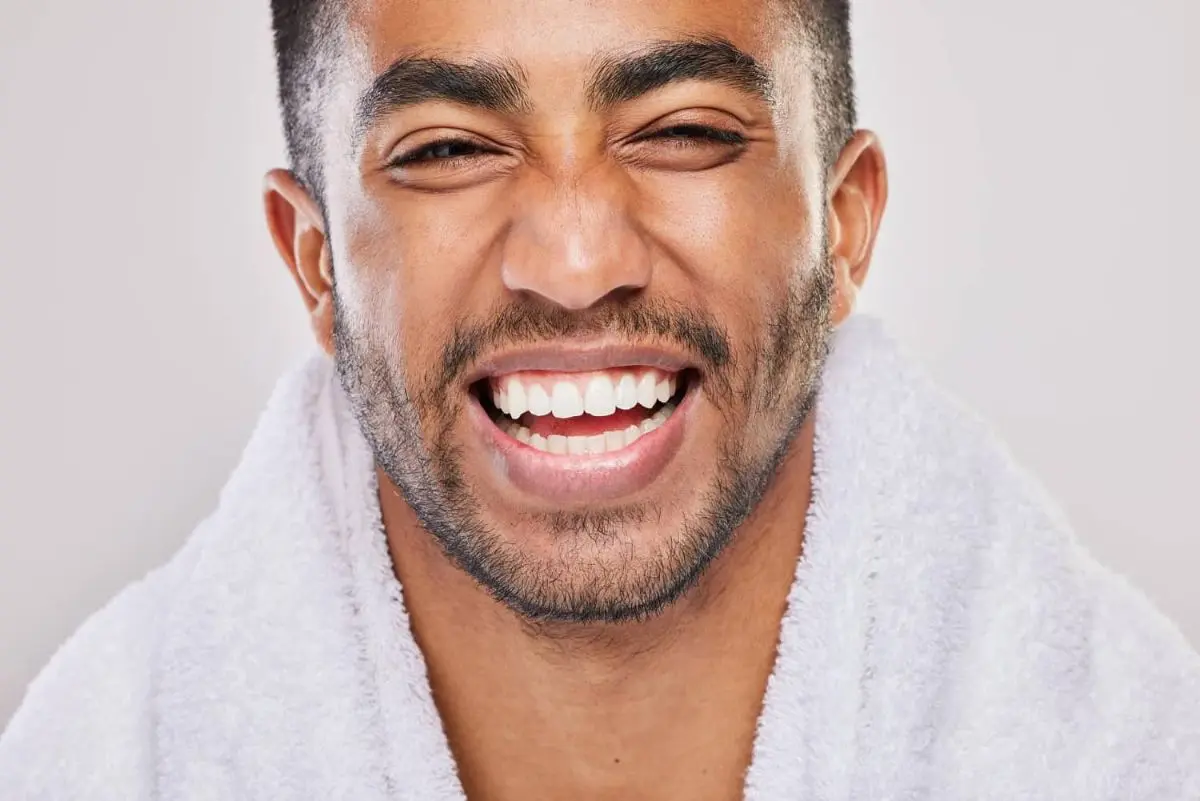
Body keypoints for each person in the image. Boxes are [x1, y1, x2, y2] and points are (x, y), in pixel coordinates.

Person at [3, 0, 1198, 798]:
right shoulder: (99, 763)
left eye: (680, 132)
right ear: (315, 261)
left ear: (845, 222)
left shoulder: (1130, 754)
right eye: (448, 149)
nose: (575, 263)